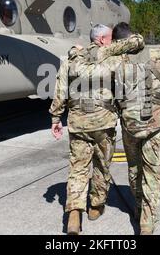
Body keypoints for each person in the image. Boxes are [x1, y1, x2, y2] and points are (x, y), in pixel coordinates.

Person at [49, 24, 144, 235]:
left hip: (78, 123)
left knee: (78, 168)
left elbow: (60, 90)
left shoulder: (71, 60)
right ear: (101, 40)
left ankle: (74, 213)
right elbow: (125, 89)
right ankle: (95, 206)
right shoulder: (113, 59)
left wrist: (56, 117)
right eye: (110, 38)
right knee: (102, 166)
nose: (113, 42)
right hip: (104, 123)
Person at [113, 22, 160, 235]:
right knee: (152, 173)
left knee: (135, 169)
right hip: (156, 125)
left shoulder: (117, 61)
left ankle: (138, 209)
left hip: (130, 126)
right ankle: (147, 220)